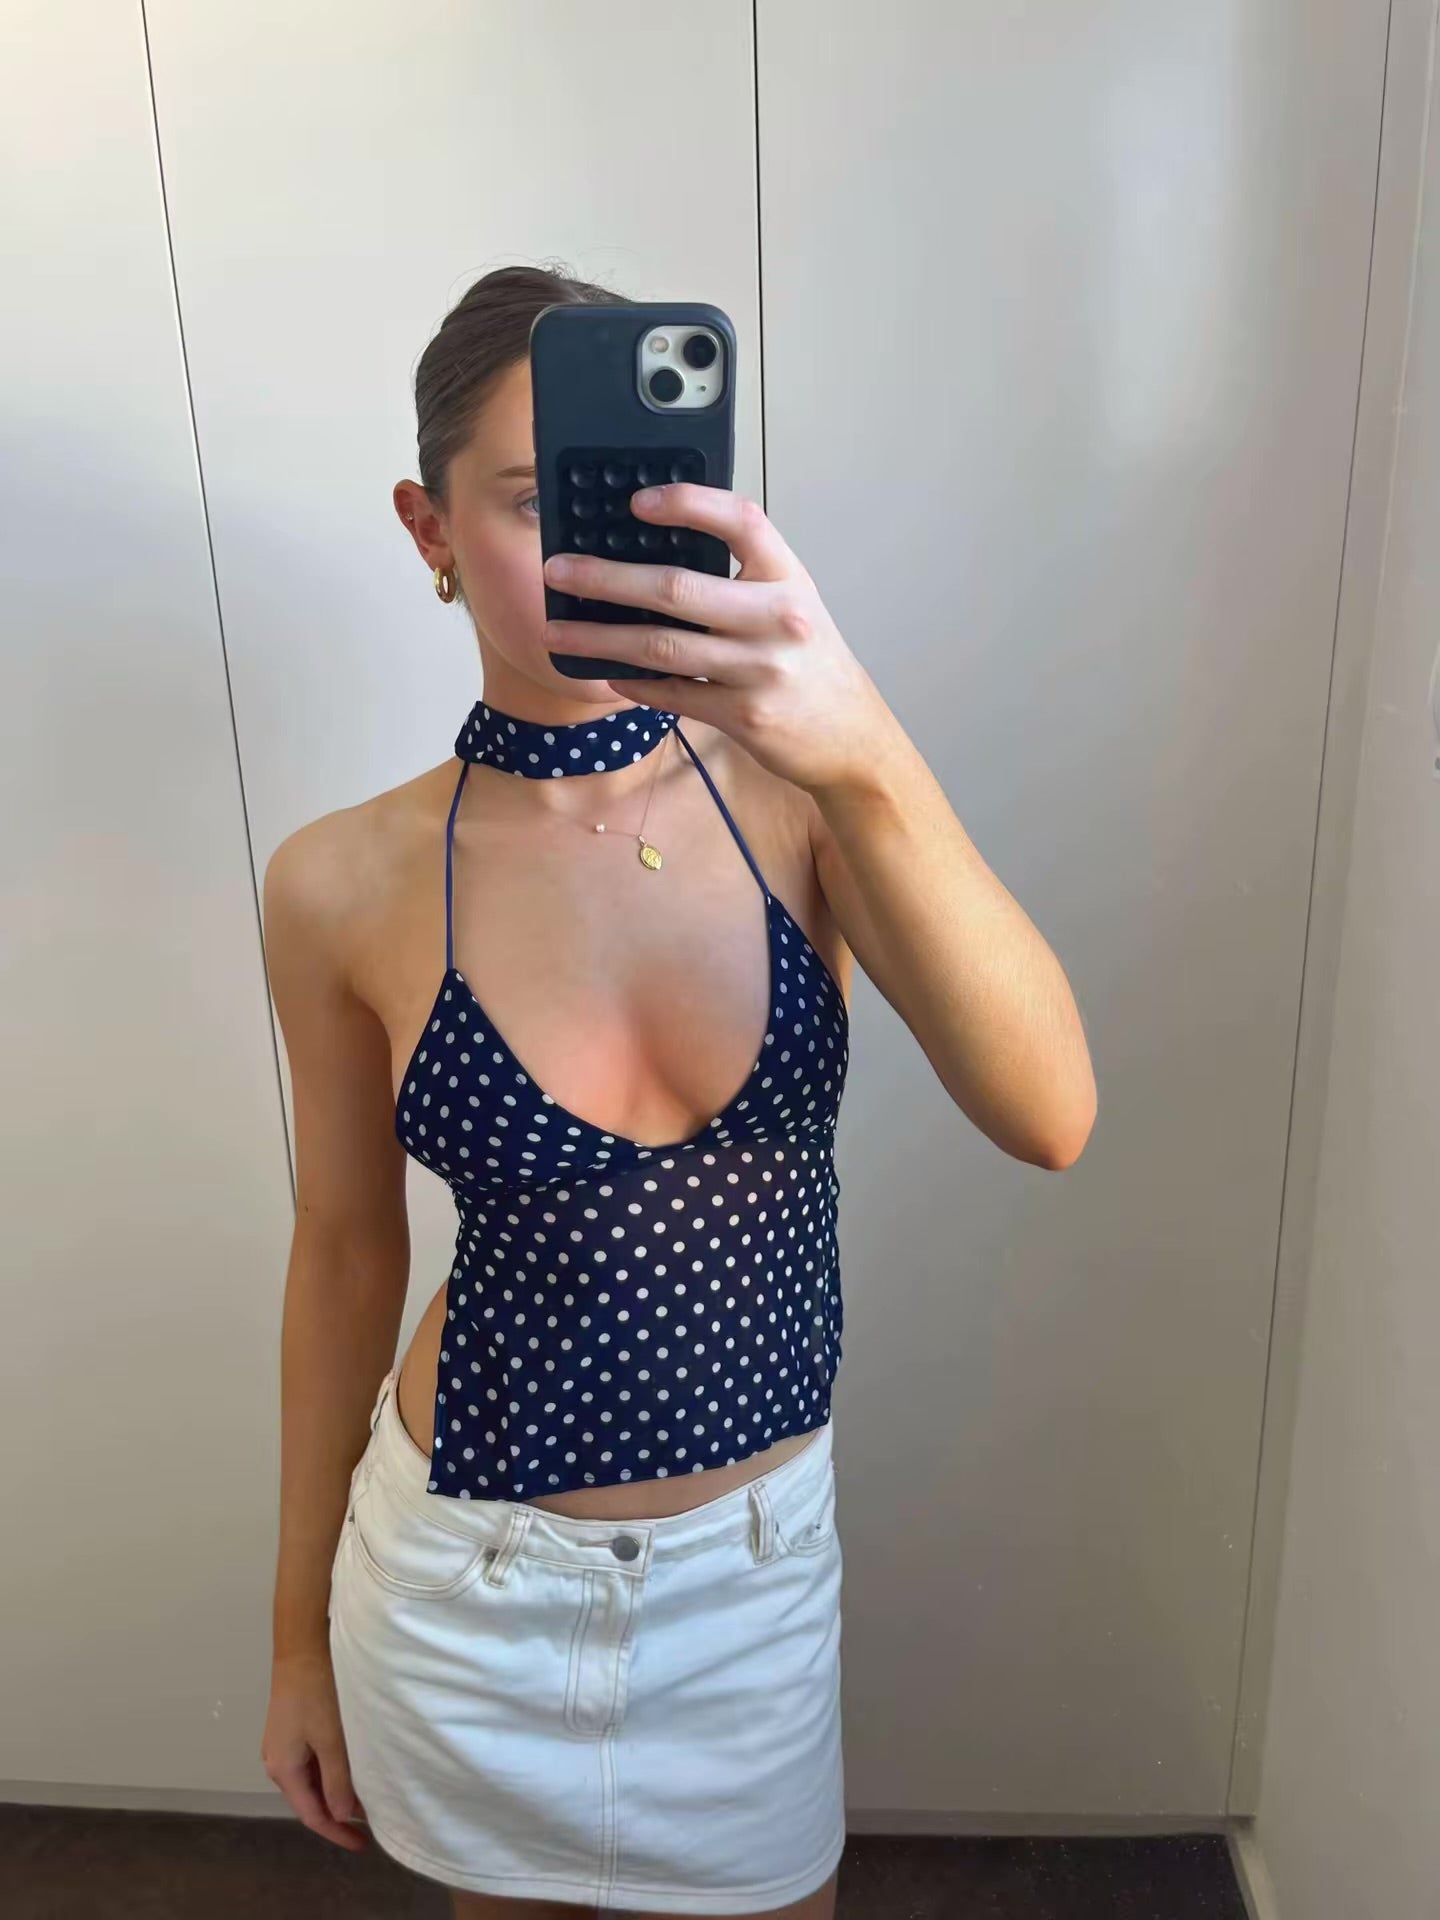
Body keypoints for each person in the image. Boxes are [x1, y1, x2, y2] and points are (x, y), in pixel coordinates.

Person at [258, 263, 1096, 1920]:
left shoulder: (803, 800)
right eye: (535, 505)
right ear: (430, 532)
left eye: (639, 502)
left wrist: (859, 744)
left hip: (753, 1592)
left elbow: (1049, 1114)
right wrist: (293, 1639)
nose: (597, 554)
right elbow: (346, 1253)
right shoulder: (339, 882)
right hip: (466, 1586)